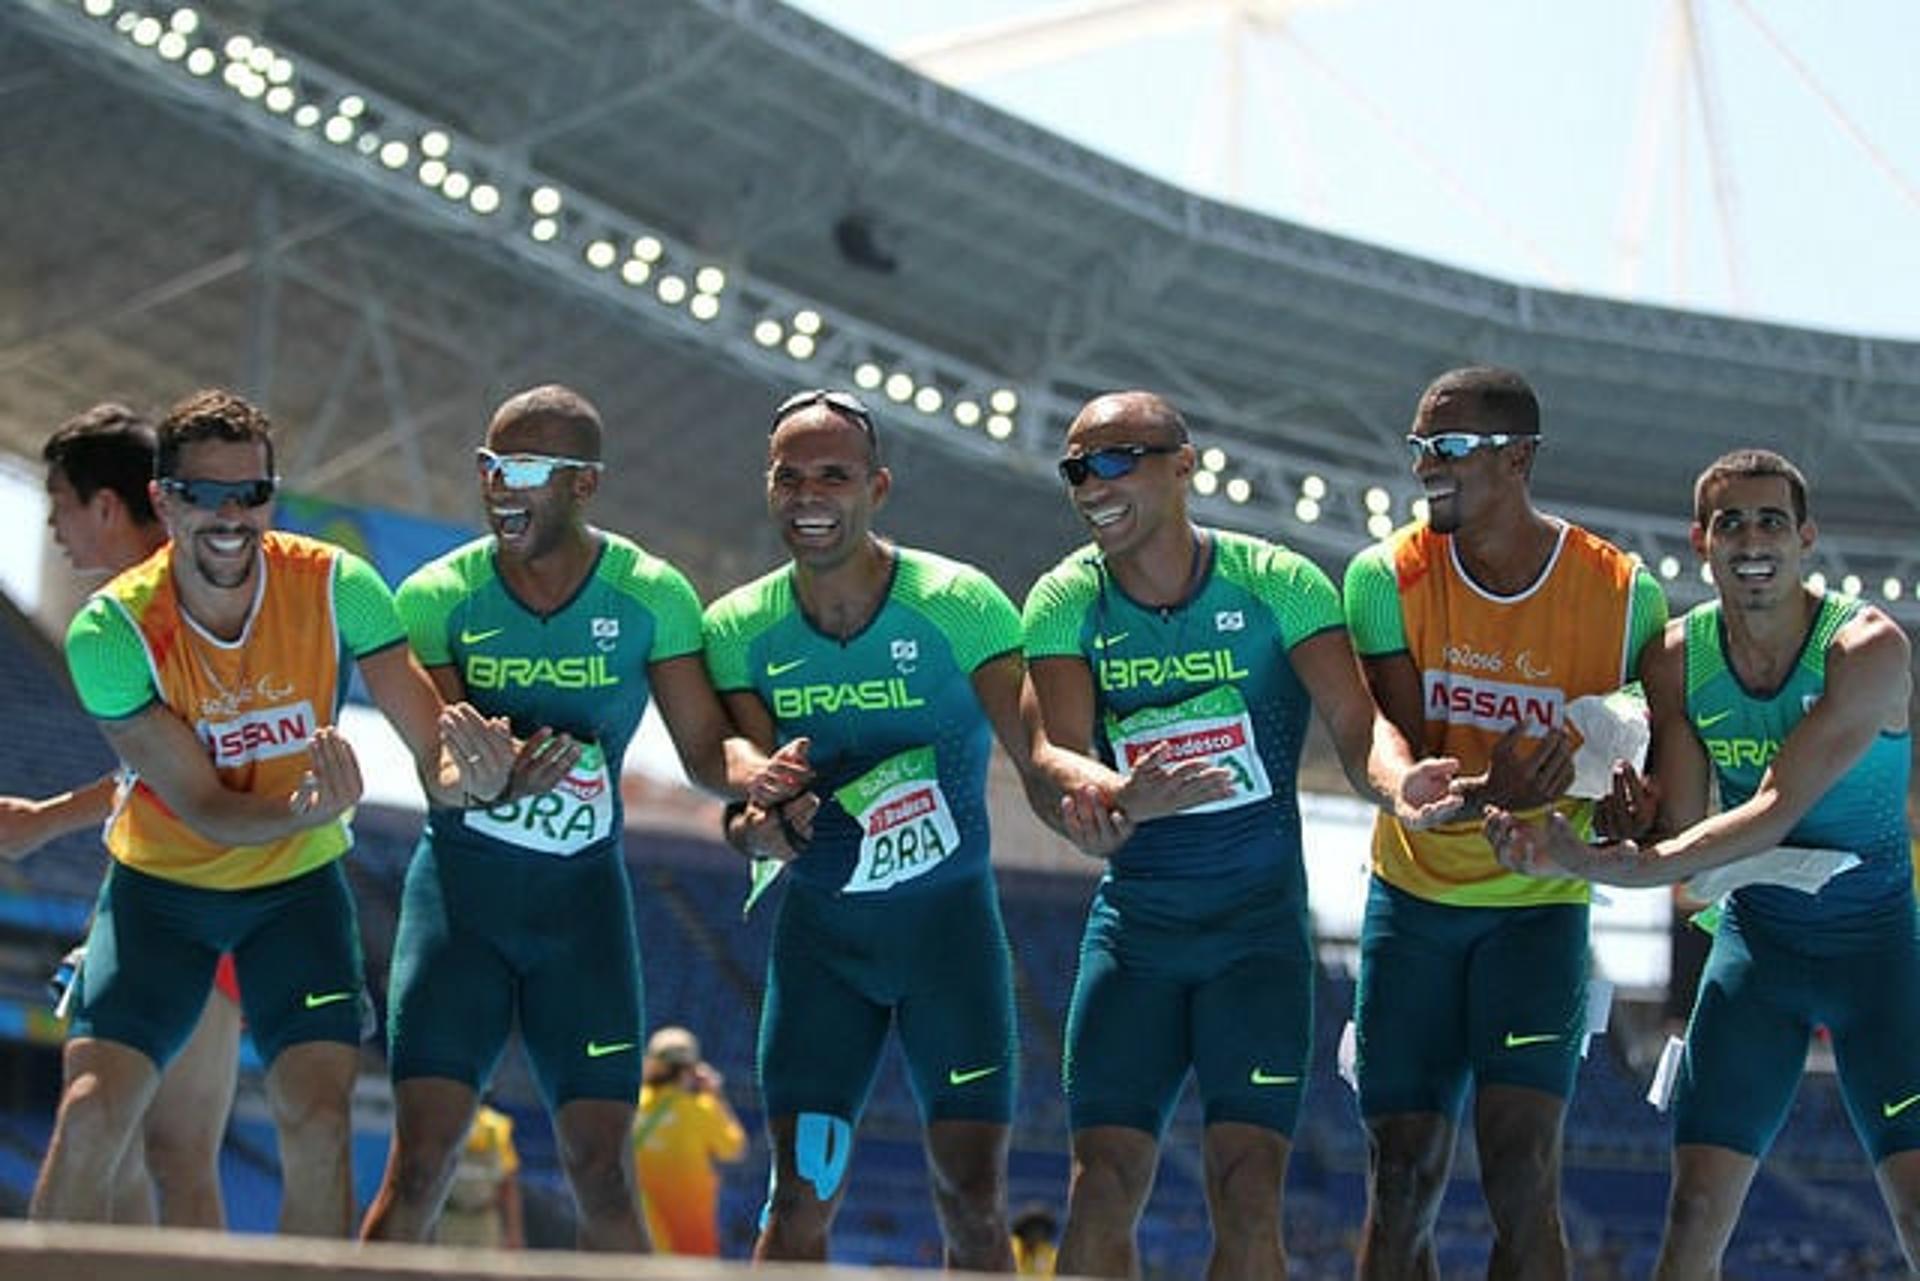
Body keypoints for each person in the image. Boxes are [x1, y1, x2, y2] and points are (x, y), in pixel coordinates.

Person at [1020, 390, 1458, 1280]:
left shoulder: (1279, 583)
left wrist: (1396, 781)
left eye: (1115, 460)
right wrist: (1114, 794)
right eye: (1076, 468)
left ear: (1184, 464)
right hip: (1135, 938)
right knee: (1101, 1183)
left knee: (1248, 1187)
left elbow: (1354, 719)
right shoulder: (1068, 596)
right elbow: (1049, 753)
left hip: (1255, 941)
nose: (1090, 484)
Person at [362, 385, 802, 1252]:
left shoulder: (651, 595)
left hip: (583, 918)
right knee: (420, 1166)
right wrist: (483, 778)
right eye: (489, 464)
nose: (497, 485)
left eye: (523, 467)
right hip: (459, 909)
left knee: (603, 1171)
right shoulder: (435, 596)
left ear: (585, 485)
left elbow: (708, 751)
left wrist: (762, 774)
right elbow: (439, 764)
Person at [31, 388, 474, 1235]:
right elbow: (200, 804)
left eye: (252, 493)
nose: (231, 515)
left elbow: (433, 746)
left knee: (318, 1117)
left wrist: (475, 769)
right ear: (164, 499)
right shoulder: (111, 632)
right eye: (205, 494)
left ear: (273, 492)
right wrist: (308, 811)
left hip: (295, 896)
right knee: (92, 1113)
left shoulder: (339, 584)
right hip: (161, 891)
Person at [1486, 448, 1920, 1276]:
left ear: (1806, 539)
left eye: (1771, 521)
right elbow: (1683, 827)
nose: (1751, 537)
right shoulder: (1679, 659)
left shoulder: (1866, 648)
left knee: (1917, 1209)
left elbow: (1772, 810)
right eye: (1731, 522)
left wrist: (1596, 864)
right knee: (1690, 1220)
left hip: (1882, 965)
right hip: (1758, 955)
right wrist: (1632, 827)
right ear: (1700, 540)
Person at [708, 388, 1055, 1269]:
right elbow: (746, 793)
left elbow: (1040, 751)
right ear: (768, 486)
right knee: (799, 1199)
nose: (811, 495)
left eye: (835, 474)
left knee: (974, 1205)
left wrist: (1102, 794)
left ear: (879, 486)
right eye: (791, 476)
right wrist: (758, 831)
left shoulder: (958, 603)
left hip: (954, 949)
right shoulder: (740, 629)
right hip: (825, 958)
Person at [1341, 366, 1667, 1278]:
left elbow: (1657, 769)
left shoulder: (1622, 592)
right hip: (1412, 905)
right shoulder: (1384, 575)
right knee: (1400, 1177)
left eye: (1448, 449)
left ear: (1519, 457)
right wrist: (1487, 791)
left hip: (1540, 909)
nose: (1424, 469)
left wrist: (1635, 802)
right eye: (1418, 450)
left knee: (1522, 1174)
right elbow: (1399, 755)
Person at [0, 405, 243, 1230]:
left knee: (126, 1141)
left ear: (106, 505)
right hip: (209, 891)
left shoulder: (169, 609)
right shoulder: (175, 600)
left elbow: (197, 770)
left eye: (58, 501)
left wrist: (46, 821)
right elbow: (166, 766)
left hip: (189, 894)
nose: (52, 526)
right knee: (152, 1157)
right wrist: (52, 816)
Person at [632, 1025, 746, 1255]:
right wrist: (715, 1095)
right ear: (691, 1069)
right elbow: (734, 1149)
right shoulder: (701, 1110)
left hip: (639, 1239)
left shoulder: (632, 1105)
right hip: (689, 1243)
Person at [433, 1102, 524, 1250]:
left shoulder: (496, 1126)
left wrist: (514, 1231)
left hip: (484, 1219)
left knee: (485, 1271)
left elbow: (508, 1184)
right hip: (449, 1217)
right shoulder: (441, 1123)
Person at [1010, 1203, 1060, 1277]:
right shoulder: (1010, 1246)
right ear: (1023, 1228)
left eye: (1041, 1227)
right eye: (1032, 1226)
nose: (1037, 1231)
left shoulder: (1050, 1252)